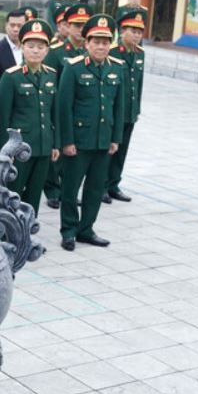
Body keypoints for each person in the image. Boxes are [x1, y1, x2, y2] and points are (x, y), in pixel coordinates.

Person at [57, 14, 125, 252]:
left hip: (103, 142)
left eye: (105, 42)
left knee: (95, 190)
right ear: (86, 43)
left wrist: (116, 138)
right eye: (96, 41)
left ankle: (86, 229)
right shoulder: (73, 68)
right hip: (78, 142)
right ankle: (68, 231)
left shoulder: (117, 69)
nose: (101, 46)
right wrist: (66, 141)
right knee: (70, 188)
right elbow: (63, 107)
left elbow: (120, 106)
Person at [0, 20, 59, 217]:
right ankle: (10, 235)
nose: (35, 51)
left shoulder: (51, 75)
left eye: (41, 47)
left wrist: (55, 144)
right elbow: (3, 118)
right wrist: (4, 152)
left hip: (43, 146)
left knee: (34, 193)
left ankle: (29, 233)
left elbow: (53, 114)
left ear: (47, 50)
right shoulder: (11, 77)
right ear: (22, 47)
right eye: (30, 46)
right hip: (19, 148)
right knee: (14, 192)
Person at [43, 4, 91, 209]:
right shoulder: (56, 52)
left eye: (84, 25)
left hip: (79, 110)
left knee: (74, 152)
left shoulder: (88, 52)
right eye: (76, 25)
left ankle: (68, 189)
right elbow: (49, 78)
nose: (80, 29)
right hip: (58, 106)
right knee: (57, 150)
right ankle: (53, 189)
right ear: (67, 26)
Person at [106, 10, 146, 204]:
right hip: (114, 110)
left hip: (130, 111)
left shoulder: (140, 54)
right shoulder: (112, 52)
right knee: (109, 149)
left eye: (140, 32)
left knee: (122, 150)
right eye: (133, 31)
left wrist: (136, 108)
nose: (137, 35)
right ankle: (101, 185)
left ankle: (114, 184)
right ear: (122, 32)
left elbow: (139, 84)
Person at [0, 9, 26, 88]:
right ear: (6, 26)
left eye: (19, 26)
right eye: (12, 25)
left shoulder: (29, 49)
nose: (15, 29)